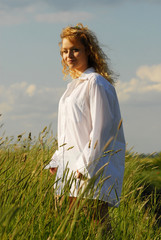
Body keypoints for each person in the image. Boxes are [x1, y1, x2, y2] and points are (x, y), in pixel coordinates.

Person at [45, 23, 125, 224]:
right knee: (65, 220)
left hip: (89, 167)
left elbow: (102, 130)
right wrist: (57, 159)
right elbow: (69, 131)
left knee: (97, 221)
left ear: (88, 51)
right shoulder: (72, 88)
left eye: (75, 49)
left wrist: (84, 165)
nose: (69, 55)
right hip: (70, 165)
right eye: (64, 51)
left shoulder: (96, 83)